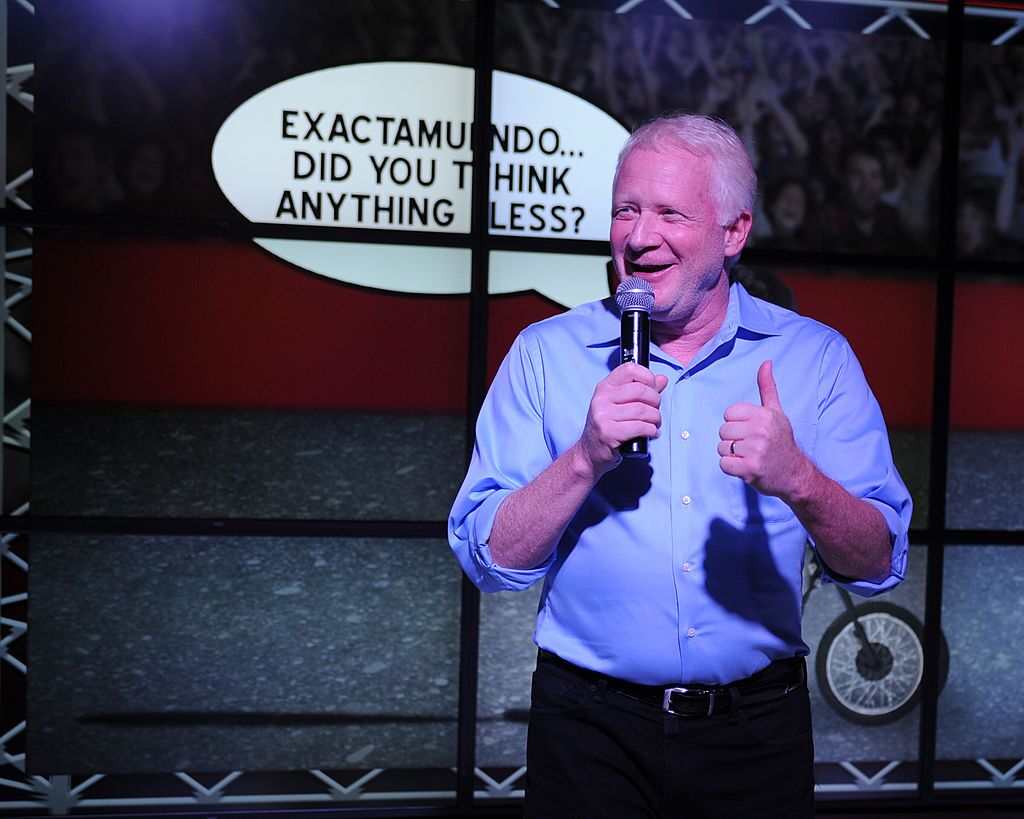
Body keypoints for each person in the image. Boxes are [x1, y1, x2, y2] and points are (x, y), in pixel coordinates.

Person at [449, 113, 911, 818]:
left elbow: (877, 558)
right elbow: (488, 557)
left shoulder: (815, 359)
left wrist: (800, 479)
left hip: (756, 733)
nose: (638, 237)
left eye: (669, 212)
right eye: (625, 211)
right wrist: (584, 458)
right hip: (588, 732)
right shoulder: (545, 353)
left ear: (733, 233)